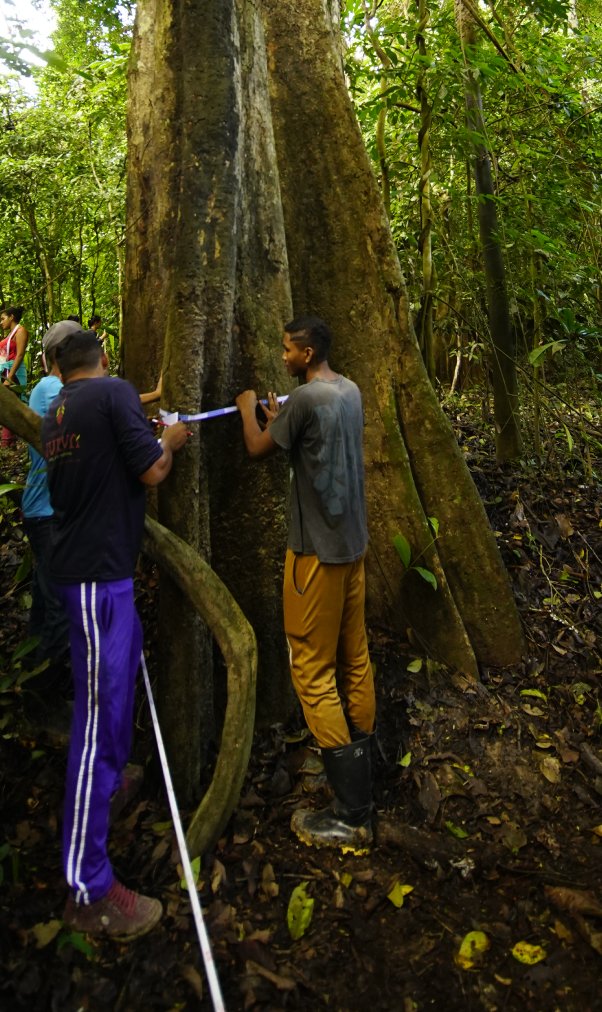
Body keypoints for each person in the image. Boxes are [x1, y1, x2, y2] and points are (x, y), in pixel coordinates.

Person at [42, 329, 190, 940]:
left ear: (57, 363)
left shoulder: (56, 408)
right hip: (100, 577)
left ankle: (114, 778)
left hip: (82, 571)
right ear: (102, 356)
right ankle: (87, 886)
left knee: (114, 691)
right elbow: (153, 470)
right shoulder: (114, 392)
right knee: (98, 722)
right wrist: (171, 441)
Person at [235, 315, 375, 850]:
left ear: (309, 351)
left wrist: (251, 411)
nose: (285, 357)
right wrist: (280, 418)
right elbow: (313, 441)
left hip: (314, 554)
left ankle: (352, 811)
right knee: (354, 656)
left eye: (289, 350)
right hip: (354, 547)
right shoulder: (348, 391)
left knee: (311, 668)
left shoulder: (308, 402)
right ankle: (358, 764)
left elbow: (255, 448)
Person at [21, 319, 81, 681]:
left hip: (49, 509)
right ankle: (48, 690)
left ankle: (32, 674)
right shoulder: (50, 388)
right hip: (47, 511)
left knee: (46, 598)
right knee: (59, 602)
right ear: (61, 354)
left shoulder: (63, 387)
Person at [0, 306, 29, 447]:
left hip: (13, 375)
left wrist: (10, 378)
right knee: (7, 407)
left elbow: (19, 355)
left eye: (3, 319)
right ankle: (11, 442)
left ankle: (6, 443)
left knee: (10, 407)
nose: (1, 322)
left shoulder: (20, 331)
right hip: (5, 373)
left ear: (12, 317)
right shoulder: (8, 335)